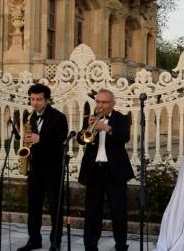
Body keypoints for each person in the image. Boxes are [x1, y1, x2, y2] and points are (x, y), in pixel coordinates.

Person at [78, 89, 134, 251]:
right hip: (94, 171)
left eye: (104, 102)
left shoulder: (122, 119)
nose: (100, 105)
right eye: (98, 102)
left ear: (112, 103)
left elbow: (124, 137)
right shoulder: (90, 118)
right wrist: (88, 127)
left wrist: (107, 128)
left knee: (119, 212)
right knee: (92, 212)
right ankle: (90, 246)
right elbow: (82, 141)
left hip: (114, 171)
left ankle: (121, 246)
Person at [18, 84, 68, 251]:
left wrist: (41, 139)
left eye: (39, 99)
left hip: (53, 169)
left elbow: (61, 143)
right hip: (35, 168)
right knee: (33, 206)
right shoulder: (31, 117)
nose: (35, 103)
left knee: (55, 206)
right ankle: (34, 240)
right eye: (32, 99)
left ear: (47, 99)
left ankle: (55, 242)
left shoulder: (59, 118)